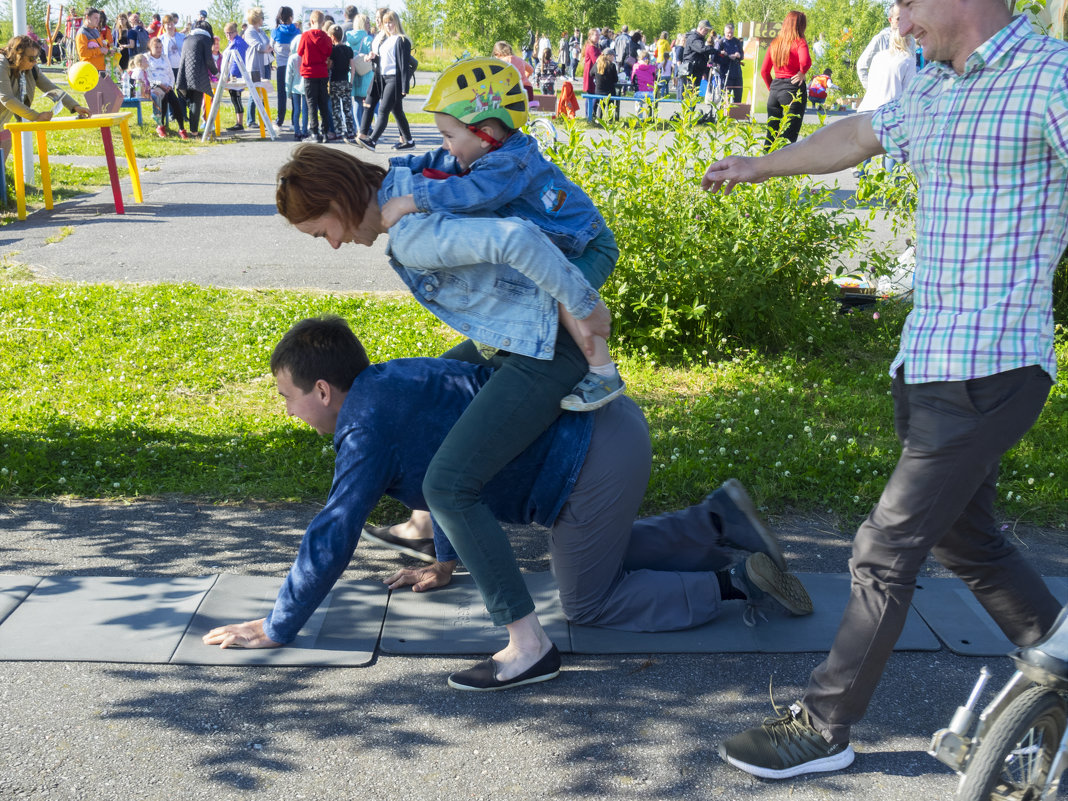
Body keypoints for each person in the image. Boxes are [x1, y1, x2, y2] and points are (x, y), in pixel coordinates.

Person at [702, 0, 1068, 779]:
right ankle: (1061, 649)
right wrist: (757, 164)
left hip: (994, 364)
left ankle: (823, 726)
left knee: (883, 547)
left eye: (905, 3)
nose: (898, 23)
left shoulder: (1051, 79)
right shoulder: (937, 85)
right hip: (927, 360)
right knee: (966, 536)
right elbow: (860, 134)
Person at [202, 316, 814, 681]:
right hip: (606, 432)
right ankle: (719, 520)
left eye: (289, 397)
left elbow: (334, 530)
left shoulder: (362, 430)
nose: (288, 411)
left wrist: (280, 625)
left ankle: (736, 583)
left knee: (588, 601)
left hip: (591, 460)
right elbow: (442, 474)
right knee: (594, 555)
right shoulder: (392, 383)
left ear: (324, 390)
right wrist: (444, 563)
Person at [274, 142, 618, 687]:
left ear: (340, 199)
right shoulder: (408, 183)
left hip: (550, 338)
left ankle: (529, 647)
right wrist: (445, 559)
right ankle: (433, 536)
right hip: (525, 334)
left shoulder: (410, 233)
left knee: (449, 486)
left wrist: (583, 303)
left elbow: (516, 238)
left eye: (323, 231)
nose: (334, 245)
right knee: (445, 433)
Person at [382, 58, 625, 409]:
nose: (447, 145)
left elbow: (470, 194)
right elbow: (442, 161)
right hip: (565, 243)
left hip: (588, 247)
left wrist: (411, 200)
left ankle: (604, 373)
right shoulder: (488, 151)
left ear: (487, 134)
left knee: (563, 296)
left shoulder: (508, 165)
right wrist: (400, 167)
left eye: (450, 136)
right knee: (543, 286)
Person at [0, 34, 90, 162]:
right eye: (31, 58)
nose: (35, 61)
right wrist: (36, 116)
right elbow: (7, 98)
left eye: (36, 57)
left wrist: (75, 106)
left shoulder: (32, 69)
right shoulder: (1, 63)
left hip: (2, 126)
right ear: (17, 55)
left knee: (1, 173)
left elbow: (51, 87)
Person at [855, 31, 914, 173]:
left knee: (865, 152)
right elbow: (909, 90)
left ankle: (862, 189)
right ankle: (891, 190)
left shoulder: (879, 56)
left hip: (868, 106)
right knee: (891, 152)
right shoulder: (908, 59)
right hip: (890, 109)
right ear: (908, 42)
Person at [356, 10, 413, 150]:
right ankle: (409, 141)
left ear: (396, 23)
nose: (388, 25)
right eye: (386, 22)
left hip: (395, 80)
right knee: (397, 112)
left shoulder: (402, 40)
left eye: (391, 22)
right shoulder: (387, 40)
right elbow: (386, 61)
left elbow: (403, 65)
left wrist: (405, 87)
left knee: (383, 110)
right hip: (384, 78)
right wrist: (374, 58)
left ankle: (372, 141)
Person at [759, 10, 810, 150]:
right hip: (793, 89)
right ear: (800, 26)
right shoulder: (800, 42)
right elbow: (805, 62)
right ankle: (783, 170)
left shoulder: (775, 43)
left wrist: (773, 89)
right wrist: (802, 72)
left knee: (771, 136)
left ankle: (764, 169)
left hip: (775, 90)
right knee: (788, 138)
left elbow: (764, 71)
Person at [175, 19, 217, 136]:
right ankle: (194, 132)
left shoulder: (187, 38)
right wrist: (217, 73)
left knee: (191, 101)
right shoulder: (205, 39)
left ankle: (189, 129)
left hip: (184, 73)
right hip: (197, 74)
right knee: (196, 102)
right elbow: (209, 60)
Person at [297, 9, 332, 143]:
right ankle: (325, 132)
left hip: (309, 73)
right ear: (323, 23)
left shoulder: (305, 36)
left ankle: (314, 133)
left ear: (311, 21)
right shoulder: (327, 38)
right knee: (323, 103)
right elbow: (329, 52)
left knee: (311, 104)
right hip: (322, 73)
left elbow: (300, 52)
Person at [146, 37, 189, 138]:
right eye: (156, 47)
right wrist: (160, 84)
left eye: (160, 47)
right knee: (163, 97)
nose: (159, 49)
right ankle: (161, 126)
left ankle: (181, 128)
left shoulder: (165, 58)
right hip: (154, 86)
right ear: (150, 47)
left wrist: (170, 85)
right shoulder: (147, 58)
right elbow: (147, 76)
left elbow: (171, 74)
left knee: (175, 101)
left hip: (167, 86)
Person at [856, 4, 899, 90]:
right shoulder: (881, 39)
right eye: (899, 19)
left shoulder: (910, 40)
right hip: (884, 95)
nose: (903, 22)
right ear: (890, 20)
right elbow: (861, 65)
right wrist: (872, 91)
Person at [327, 24, 356, 142]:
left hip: (335, 82)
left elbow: (330, 65)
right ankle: (350, 132)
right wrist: (351, 81)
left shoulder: (332, 51)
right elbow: (352, 67)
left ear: (333, 37)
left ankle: (338, 132)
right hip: (345, 82)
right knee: (347, 108)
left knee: (336, 108)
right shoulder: (349, 50)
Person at [272, 7, 299, 127]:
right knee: (295, 93)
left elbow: (270, 47)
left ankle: (280, 120)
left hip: (282, 66)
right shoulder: (298, 32)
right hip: (295, 66)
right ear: (291, 17)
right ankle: (294, 121)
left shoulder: (276, 32)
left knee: (281, 94)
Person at [346, 13, 374, 129]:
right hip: (366, 73)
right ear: (363, 24)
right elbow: (372, 54)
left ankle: (358, 128)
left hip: (353, 72)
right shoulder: (367, 39)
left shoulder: (348, 38)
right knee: (368, 102)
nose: (369, 25)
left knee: (357, 101)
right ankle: (366, 128)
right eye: (367, 22)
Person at [222, 23, 249, 132]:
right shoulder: (232, 42)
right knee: (234, 98)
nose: (228, 35)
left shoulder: (238, 43)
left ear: (236, 32)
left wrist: (230, 75)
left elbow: (237, 61)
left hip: (236, 76)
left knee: (236, 98)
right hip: (232, 74)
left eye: (230, 33)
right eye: (226, 33)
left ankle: (239, 123)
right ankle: (239, 122)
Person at [680, 20, 714, 98]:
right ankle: (689, 110)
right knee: (691, 94)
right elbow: (701, 49)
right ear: (701, 28)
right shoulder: (694, 38)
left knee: (694, 93)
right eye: (706, 30)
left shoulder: (699, 38)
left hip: (697, 69)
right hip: (691, 70)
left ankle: (692, 109)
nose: (706, 32)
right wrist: (714, 50)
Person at [284, 30, 308, 140]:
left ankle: (297, 131)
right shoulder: (306, 56)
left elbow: (288, 76)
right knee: (305, 110)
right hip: (305, 87)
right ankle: (305, 131)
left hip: (294, 87)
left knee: (296, 110)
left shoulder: (292, 58)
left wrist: (287, 90)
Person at [75, 8, 110, 74]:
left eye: (99, 18)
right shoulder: (82, 33)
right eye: (95, 18)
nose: (98, 21)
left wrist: (108, 51)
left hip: (100, 69)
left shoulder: (96, 30)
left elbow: (100, 48)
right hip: (89, 70)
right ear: (87, 17)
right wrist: (100, 50)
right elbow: (82, 53)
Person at [717, 23, 744, 104]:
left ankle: (736, 114)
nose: (729, 34)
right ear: (724, 32)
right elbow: (715, 58)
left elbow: (742, 55)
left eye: (731, 33)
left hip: (737, 71)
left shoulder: (737, 41)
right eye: (728, 33)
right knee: (725, 97)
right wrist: (727, 56)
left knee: (738, 96)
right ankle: (724, 114)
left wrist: (739, 55)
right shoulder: (720, 42)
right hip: (725, 72)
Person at [581, 28, 599, 95]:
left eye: (598, 35)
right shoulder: (591, 47)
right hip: (590, 73)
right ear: (590, 36)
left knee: (591, 94)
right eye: (596, 35)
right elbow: (596, 60)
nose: (598, 37)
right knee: (591, 94)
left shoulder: (594, 46)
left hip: (592, 72)